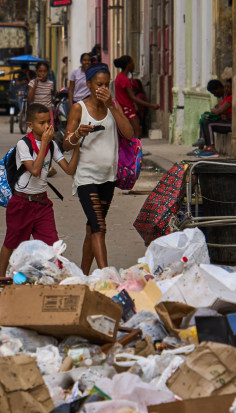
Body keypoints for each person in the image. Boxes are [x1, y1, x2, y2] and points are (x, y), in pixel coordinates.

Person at [62, 64, 134, 273]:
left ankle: (83, 275)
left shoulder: (113, 106)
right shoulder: (79, 108)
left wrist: (112, 106)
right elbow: (66, 144)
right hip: (86, 177)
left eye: (106, 84)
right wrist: (78, 134)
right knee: (99, 228)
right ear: (89, 84)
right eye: (99, 84)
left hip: (108, 177)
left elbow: (129, 134)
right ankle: (107, 274)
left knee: (91, 228)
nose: (102, 88)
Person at [0, 103, 81, 276]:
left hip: (42, 203)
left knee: (53, 246)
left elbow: (69, 170)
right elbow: (35, 171)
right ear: (30, 125)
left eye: (48, 122)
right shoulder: (24, 144)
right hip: (21, 202)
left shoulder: (51, 145)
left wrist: (77, 147)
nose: (46, 127)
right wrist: (44, 142)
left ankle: (54, 276)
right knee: (12, 243)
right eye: (41, 123)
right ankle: (0, 277)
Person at [113, 55, 159, 139]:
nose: (134, 65)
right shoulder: (124, 79)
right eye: (132, 63)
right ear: (128, 65)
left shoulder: (119, 77)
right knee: (137, 132)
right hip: (127, 109)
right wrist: (151, 105)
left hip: (123, 108)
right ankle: (135, 151)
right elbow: (133, 97)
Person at [191, 78, 232, 157]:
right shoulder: (226, 97)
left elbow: (218, 110)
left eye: (229, 87)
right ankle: (202, 145)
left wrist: (219, 112)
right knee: (205, 118)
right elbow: (219, 109)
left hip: (230, 123)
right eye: (226, 87)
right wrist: (220, 112)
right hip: (225, 120)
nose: (226, 89)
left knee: (208, 123)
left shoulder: (230, 98)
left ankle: (211, 148)